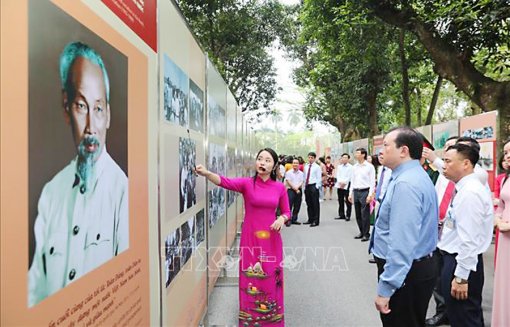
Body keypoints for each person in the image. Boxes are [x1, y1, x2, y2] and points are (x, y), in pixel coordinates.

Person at [28, 42, 128, 307]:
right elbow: (35, 289)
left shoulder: (122, 191)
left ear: (108, 115)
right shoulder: (51, 192)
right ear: (66, 108)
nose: (91, 127)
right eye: (81, 106)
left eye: (98, 108)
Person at [195, 148, 291, 326]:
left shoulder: (279, 187)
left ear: (274, 165)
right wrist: (207, 173)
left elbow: (287, 211)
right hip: (251, 239)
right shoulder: (247, 184)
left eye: (267, 160)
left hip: (271, 240)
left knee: (270, 276)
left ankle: (272, 320)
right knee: (251, 277)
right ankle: (249, 320)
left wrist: (281, 218)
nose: (262, 162)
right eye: (260, 158)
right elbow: (225, 182)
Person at [371, 127, 438, 326]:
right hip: (415, 268)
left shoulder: (406, 184)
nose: (381, 151)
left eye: (386, 145)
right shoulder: (414, 175)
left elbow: (402, 243)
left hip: (407, 273)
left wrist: (386, 289)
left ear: (404, 151)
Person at [438, 143, 493, 327]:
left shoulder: (470, 193)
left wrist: (461, 277)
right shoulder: (463, 188)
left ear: (466, 164)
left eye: (448, 161)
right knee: (462, 316)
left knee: (465, 318)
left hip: (461, 263)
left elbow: (469, 240)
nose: (443, 165)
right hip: (458, 260)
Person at [424, 136, 458, 327]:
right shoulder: (443, 173)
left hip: (453, 233)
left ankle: (456, 313)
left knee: (453, 275)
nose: (447, 151)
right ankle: (442, 311)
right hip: (436, 228)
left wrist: (433, 158)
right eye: (445, 147)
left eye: (452, 147)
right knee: (438, 275)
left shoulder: (469, 175)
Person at [492, 139, 510, 327]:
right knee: (504, 283)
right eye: (505, 152)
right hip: (504, 239)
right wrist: (497, 219)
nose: (508, 155)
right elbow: (501, 205)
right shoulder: (506, 177)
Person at [348, 148, 375, 242]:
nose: (356, 155)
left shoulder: (369, 167)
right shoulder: (354, 167)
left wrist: (370, 195)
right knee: (358, 214)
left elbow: (372, 182)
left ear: (363, 155)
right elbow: (352, 181)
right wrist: (350, 193)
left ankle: (366, 234)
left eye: (358, 153)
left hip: (365, 191)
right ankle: (361, 232)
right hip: (356, 191)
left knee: (365, 214)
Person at [303, 152, 322, 227]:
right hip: (307, 186)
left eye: (312, 158)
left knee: (315, 204)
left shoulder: (317, 167)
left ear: (314, 158)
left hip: (314, 186)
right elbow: (304, 176)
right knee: (309, 203)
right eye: (309, 157)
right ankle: (310, 219)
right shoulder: (306, 166)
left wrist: (317, 186)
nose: (310, 159)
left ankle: (316, 220)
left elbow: (319, 178)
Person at [285, 158, 305, 225]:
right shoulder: (288, 172)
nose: (295, 164)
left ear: (299, 164)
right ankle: (288, 220)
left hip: (299, 190)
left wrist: (297, 188)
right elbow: (288, 181)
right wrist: (295, 189)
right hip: (291, 190)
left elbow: (301, 181)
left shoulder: (301, 173)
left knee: (297, 205)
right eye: (294, 163)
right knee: (289, 205)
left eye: (296, 163)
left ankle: (294, 219)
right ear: (292, 164)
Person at [335, 153, 353, 221]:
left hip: (347, 185)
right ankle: (341, 214)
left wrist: (344, 183)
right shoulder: (339, 166)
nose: (344, 159)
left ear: (348, 159)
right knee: (340, 200)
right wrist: (340, 182)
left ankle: (348, 215)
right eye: (343, 157)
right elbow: (338, 175)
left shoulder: (351, 167)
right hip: (339, 185)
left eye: (346, 157)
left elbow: (350, 176)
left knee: (348, 201)